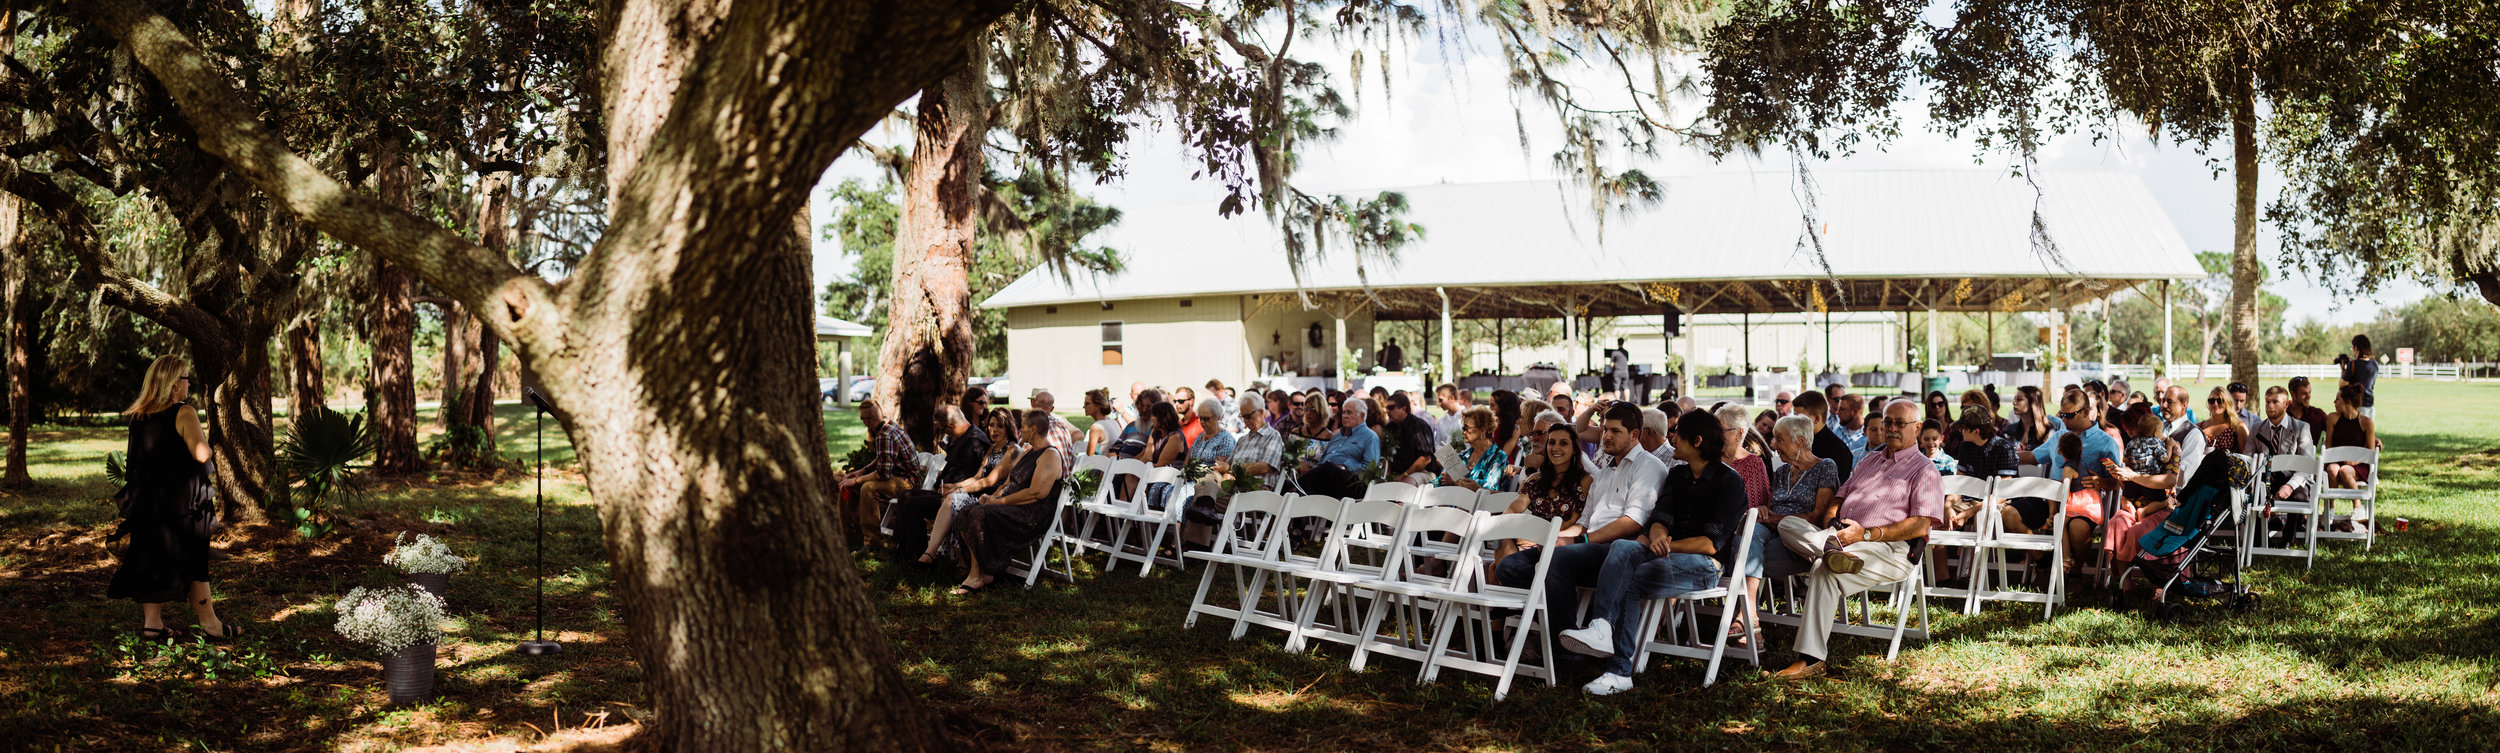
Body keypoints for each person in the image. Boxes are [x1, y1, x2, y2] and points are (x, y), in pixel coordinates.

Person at [1556, 410, 1750, 695]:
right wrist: (1658, 535)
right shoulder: (1678, 474)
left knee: (1631, 577)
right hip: (1666, 553)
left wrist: (1665, 543)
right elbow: (1660, 519)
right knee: (1623, 547)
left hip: (1704, 565)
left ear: (1696, 441)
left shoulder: (1728, 482)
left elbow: (1710, 544)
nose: (1672, 439)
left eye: (1678, 435)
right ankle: (1601, 627)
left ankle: (1619, 671)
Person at [1772, 401, 1944, 680]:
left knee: (1822, 569)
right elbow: (1839, 497)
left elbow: (1920, 525)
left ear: (1917, 428)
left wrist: (1866, 534)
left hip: (1888, 549)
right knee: (1789, 524)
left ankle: (1811, 659)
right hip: (1842, 538)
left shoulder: (1925, 470)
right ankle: (1830, 550)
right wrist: (1831, 524)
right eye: (1888, 422)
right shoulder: (1869, 460)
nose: (1892, 428)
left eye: (1900, 423)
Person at [1494, 403, 1670, 663]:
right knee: (1509, 566)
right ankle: (1566, 634)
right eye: (1604, 430)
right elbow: (1585, 522)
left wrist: (1576, 541)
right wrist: (1558, 538)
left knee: (1555, 560)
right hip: (1587, 548)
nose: (1606, 436)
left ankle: (1562, 649)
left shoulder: (1649, 467)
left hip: (1619, 551)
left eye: (1615, 431)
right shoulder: (1605, 472)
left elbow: (1632, 522)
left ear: (1635, 434)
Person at [107, 355, 236, 642]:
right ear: (174, 384)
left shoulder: (139, 416)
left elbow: (135, 464)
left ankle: (152, 625)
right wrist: (209, 443)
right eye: (186, 378)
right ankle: (211, 624)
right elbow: (201, 454)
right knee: (196, 560)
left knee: (151, 558)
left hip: (148, 502)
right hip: (184, 504)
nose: (188, 383)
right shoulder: (183, 411)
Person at [947, 411, 1066, 594]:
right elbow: (1008, 482)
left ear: (1033, 429)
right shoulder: (1028, 452)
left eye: (1023, 427)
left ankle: (977, 575)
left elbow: (1037, 493)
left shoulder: (1050, 455)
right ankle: (979, 572)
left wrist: (1000, 502)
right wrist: (993, 497)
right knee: (967, 511)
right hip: (1012, 505)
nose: (1020, 430)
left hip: (1030, 514)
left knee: (979, 515)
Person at [894, 406, 993, 563]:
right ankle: (903, 547)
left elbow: (970, 479)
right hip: (945, 490)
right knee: (905, 495)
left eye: (945, 431)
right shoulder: (961, 437)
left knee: (913, 505)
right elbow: (950, 467)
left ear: (951, 426)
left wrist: (948, 487)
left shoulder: (975, 442)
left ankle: (919, 553)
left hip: (959, 498)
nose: (946, 435)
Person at [1498, 424, 1594, 568]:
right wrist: (1509, 526)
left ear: (1574, 449)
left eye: (1563, 443)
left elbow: (1576, 520)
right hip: (1528, 541)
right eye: (1552, 442)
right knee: (1503, 537)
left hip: (1559, 543)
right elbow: (1516, 506)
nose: (1555, 448)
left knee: (1503, 567)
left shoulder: (1584, 481)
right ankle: (1508, 580)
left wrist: (1539, 537)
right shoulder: (1536, 479)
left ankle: (1507, 580)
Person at [2104, 405, 2181, 566]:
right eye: (2127, 430)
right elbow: (2128, 485)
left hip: (2167, 502)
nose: (2129, 434)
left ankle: (2157, 582)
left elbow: (2170, 481)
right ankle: (2125, 584)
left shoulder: (2171, 446)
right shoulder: (2134, 445)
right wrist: (2120, 477)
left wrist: (2133, 476)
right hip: (2136, 500)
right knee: (2116, 523)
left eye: (2131, 429)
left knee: (2138, 530)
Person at [839, 401, 917, 551]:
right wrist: (862, 471)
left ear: (868, 420)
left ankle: (873, 543)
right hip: (894, 476)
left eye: (863, 419)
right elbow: (883, 457)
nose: (863, 422)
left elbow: (883, 473)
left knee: (868, 488)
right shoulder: (887, 425)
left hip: (906, 481)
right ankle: (847, 533)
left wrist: (856, 480)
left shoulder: (884, 435)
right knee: (846, 483)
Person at [2250, 386, 2317, 545]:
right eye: (2267, 402)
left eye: (2275, 402)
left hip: (2293, 478)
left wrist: (2290, 486)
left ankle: (2288, 539)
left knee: (2300, 496)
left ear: (2286, 404)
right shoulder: (2257, 428)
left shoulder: (2301, 428)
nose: (2270, 406)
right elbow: (2249, 458)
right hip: (2266, 479)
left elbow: (2306, 464)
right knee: (2254, 495)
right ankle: (2259, 539)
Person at [1176, 398, 1239, 547]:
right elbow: (1188, 460)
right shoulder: (1200, 437)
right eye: (1200, 418)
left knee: (1192, 490)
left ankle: (1180, 543)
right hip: (1195, 479)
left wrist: (1196, 471)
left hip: (1213, 481)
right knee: (1169, 489)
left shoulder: (1226, 439)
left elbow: (1219, 466)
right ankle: (1174, 539)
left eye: (1207, 419)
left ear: (1218, 417)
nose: (1203, 422)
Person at [1295, 397, 1381, 499]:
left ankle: (1292, 487)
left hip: (1352, 481)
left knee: (1328, 468)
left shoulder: (1370, 437)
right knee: (1323, 469)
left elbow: (1370, 468)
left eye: (1349, 412)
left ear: (1362, 415)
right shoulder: (1337, 436)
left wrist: (1345, 467)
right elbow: (1323, 459)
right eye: (1343, 412)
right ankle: (1296, 496)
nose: (1344, 416)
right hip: (1328, 478)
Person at [2322, 383, 2377, 531]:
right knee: (2333, 469)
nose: (2334, 403)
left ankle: (2357, 507)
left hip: (2358, 464)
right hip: (2336, 459)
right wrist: (2341, 457)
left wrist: (2355, 459)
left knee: (2345, 471)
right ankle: (2330, 509)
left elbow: (2370, 451)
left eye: (2337, 399)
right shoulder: (2333, 418)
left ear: (2347, 402)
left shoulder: (2366, 422)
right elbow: (2329, 447)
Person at [1714, 405, 1772, 511]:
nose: (1715, 434)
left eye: (1720, 430)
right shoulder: (1710, 457)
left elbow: (1753, 508)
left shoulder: (1752, 463)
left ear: (1739, 433)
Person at [1438, 407, 1510, 491]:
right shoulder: (1463, 456)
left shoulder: (1498, 457)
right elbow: (1440, 481)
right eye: (1463, 428)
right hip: (1453, 501)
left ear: (1483, 430)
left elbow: (1488, 489)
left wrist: (1457, 482)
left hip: (1481, 503)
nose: (1463, 432)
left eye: (1466, 428)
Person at [1792, 391, 1855, 483]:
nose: (1794, 423)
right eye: (1794, 417)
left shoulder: (1837, 450)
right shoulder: (1799, 442)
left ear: (1816, 418)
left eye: (1800, 418)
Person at [1383, 393, 1441, 483]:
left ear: (1403, 408)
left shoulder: (1419, 426)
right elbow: (1388, 456)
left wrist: (1404, 475)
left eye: (1391, 408)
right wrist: (1387, 475)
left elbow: (1425, 459)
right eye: (1386, 408)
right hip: (1397, 473)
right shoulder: (1389, 427)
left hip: (1423, 472)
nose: (1387, 411)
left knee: (1406, 484)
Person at [1140, 402, 1188, 511]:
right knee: (1129, 475)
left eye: (1154, 416)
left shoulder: (1175, 436)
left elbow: (1161, 465)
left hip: (1169, 476)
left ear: (1162, 418)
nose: (1151, 418)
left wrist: (1141, 470)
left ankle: (1132, 515)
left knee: (1136, 478)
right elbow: (1147, 456)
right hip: (1154, 470)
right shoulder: (1156, 432)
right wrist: (1132, 467)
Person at [2199, 387, 2253, 455]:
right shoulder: (2199, 427)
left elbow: (2246, 456)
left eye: (2220, 400)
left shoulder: (2238, 427)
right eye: (2212, 400)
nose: (2215, 404)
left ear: (2227, 403)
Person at [2341, 334, 2379, 418]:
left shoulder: (2353, 364)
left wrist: (2343, 370)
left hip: (2356, 406)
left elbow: (2342, 385)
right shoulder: (2375, 364)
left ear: (2356, 348)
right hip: (2370, 406)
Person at [2009, 385, 2055, 452]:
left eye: (2019, 399)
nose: (2014, 403)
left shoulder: (2048, 430)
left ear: (2032, 403)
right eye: (2014, 399)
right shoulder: (2010, 430)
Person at [2287, 376, 2331, 446]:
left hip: (2309, 456)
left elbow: (2338, 431)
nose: (2308, 396)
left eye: (2309, 392)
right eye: (2304, 393)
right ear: (2293, 394)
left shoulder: (2318, 415)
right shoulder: (2282, 414)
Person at [1082, 388, 1125, 456]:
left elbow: (1089, 456)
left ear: (1097, 406)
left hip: (1104, 465)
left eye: (1087, 403)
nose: (1084, 407)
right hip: (1115, 464)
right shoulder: (1113, 422)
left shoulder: (1096, 428)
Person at [1832, 393, 1870, 463]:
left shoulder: (1871, 433)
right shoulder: (1837, 431)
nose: (1837, 412)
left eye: (1842, 409)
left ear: (1855, 411)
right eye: (1838, 409)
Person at [1433, 384, 1471, 448]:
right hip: (1445, 457)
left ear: (1451, 398)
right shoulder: (1441, 422)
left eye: (1441, 400)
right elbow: (1437, 444)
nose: (1439, 403)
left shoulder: (1468, 417)